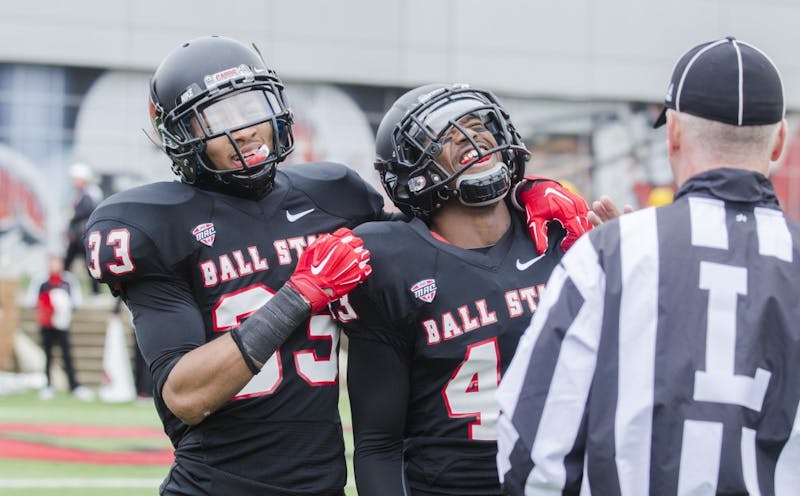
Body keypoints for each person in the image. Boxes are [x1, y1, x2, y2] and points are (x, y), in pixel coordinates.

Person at [497, 36, 800, 495]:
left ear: (673, 133)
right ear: (779, 139)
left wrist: (632, 254)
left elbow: (532, 443)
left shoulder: (608, 254)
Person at [83, 35, 384, 495]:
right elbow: (184, 395)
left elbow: (431, 247)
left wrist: (515, 206)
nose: (243, 129)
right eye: (216, 116)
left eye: (251, 107)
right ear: (180, 135)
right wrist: (300, 294)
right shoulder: (153, 224)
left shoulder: (334, 192)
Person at [331, 83, 592, 495]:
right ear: (412, 173)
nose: (473, 139)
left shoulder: (560, 234)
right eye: (445, 136)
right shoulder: (392, 261)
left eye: (477, 125)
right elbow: (380, 442)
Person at [27, 253, 93, 400]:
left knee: (67, 355)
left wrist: (62, 311)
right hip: (46, 325)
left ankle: (74, 386)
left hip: (63, 325)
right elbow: (32, 302)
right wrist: (47, 309)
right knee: (48, 355)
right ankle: (48, 385)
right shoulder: (41, 280)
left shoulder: (68, 280)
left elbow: (75, 301)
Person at [64, 162, 103, 296]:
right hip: (76, 237)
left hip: (83, 236)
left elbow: (88, 211)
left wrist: (73, 215)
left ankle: (96, 292)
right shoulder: (79, 194)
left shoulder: (90, 194)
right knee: (68, 264)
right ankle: (63, 288)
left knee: (89, 265)